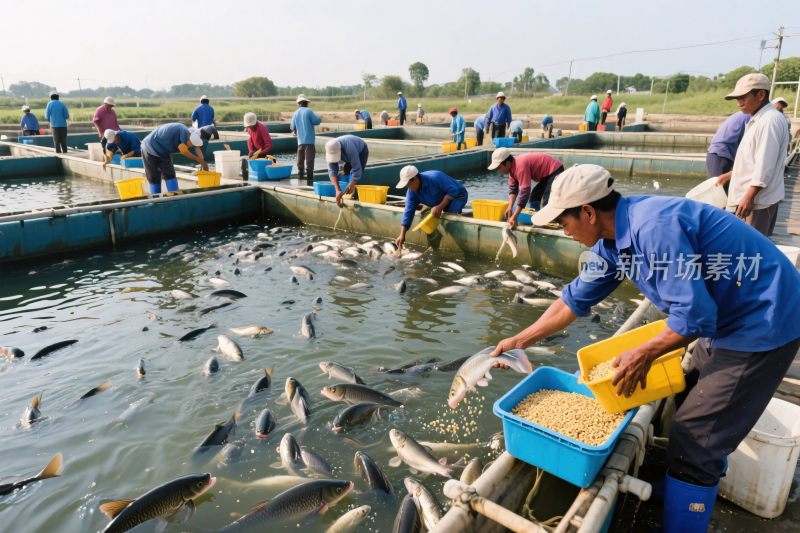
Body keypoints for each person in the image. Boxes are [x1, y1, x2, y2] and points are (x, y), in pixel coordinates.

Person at [491, 163, 800, 533]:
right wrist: (518, 341)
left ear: (587, 212)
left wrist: (644, 352)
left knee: (696, 436)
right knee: (687, 399)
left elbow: (695, 316)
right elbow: (571, 301)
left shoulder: (653, 230)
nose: (565, 231)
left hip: (763, 317)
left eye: (564, 222)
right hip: (726, 314)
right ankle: (684, 487)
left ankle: (686, 517)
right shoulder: (610, 241)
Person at [717, 73, 790, 236]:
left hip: (756, 203)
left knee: (751, 252)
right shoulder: (758, 119)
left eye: (743, 97)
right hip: (749, 199)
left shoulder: (769, 120)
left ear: (761, 95)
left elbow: (766, 163)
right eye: (737, 98)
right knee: (743, 250)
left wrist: (749, 197)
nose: (739, 103)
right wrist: (730, 175)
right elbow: (753, 159)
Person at [394, 165, 468, 248]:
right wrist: (402, 234)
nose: (408, 188)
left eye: (408, 184)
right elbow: (408, 212)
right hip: (436, 200)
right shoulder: (411, 192)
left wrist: (440, 207)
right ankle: (434, 244)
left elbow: (454, 191)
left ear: (415, 179)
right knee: (425, 214)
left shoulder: (435, 177)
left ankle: (461, 244)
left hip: (458, 196)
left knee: (449, 216)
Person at [488, 148, 563, 226]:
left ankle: (552, 222)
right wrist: (510, 207)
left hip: (555, 170)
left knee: (547, 202)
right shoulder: (512, 170)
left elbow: (525, 193)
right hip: (547, 175)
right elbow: (513, 190)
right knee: (534, 197)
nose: (499, 171)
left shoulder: (520, 166)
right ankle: (537, 221)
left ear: (507, 163)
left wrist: (514, 216)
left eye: (499, 168)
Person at [140, 123, 207, 194]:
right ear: (189, 139)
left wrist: (203, 163)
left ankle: (174, 196)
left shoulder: (191, 134)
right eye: (191, 145)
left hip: (163, 150)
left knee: (170, 174)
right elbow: (183, 150)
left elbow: (197, 148)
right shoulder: (183, 134)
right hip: (149, 147)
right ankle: (155, 198)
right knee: (154, 176)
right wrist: (199, 160)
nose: (190, 147)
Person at [706, 111, 750, 189]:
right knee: (718, 188)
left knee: (718, 187)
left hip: (717, 152)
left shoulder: (743, 114)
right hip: (721, 153)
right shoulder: (750, 117)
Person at [326, 135, 369, 208]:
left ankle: (354, 193)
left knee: (357, 173)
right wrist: (337, 189)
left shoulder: (349, 148)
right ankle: (345, 192)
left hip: (361, 150)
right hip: (346, 154)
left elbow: (357, 167)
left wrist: (352, 183)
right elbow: (332, 171)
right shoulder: (330, 149)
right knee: (345, 171)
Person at [290, 94, 322, 183]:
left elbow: (292, 127)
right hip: (309, 141)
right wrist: (320, 118)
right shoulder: (309, 111)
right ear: (306, 103)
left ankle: (300, 178)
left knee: (300, 161)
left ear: (299, 103)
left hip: (300, 142)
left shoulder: (295, 113)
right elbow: (316, 121)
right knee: (309, 161)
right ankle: (309, 180)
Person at [242, 112, 273, 178]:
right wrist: (251, 151)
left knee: (264, 174)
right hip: (256, 152)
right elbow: (250, 140)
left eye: (251, 125)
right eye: (249, 126)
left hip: (264, 153)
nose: (250, 127)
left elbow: (269, 145)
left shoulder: (262, 128)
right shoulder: (249, 129)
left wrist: (260, 153)